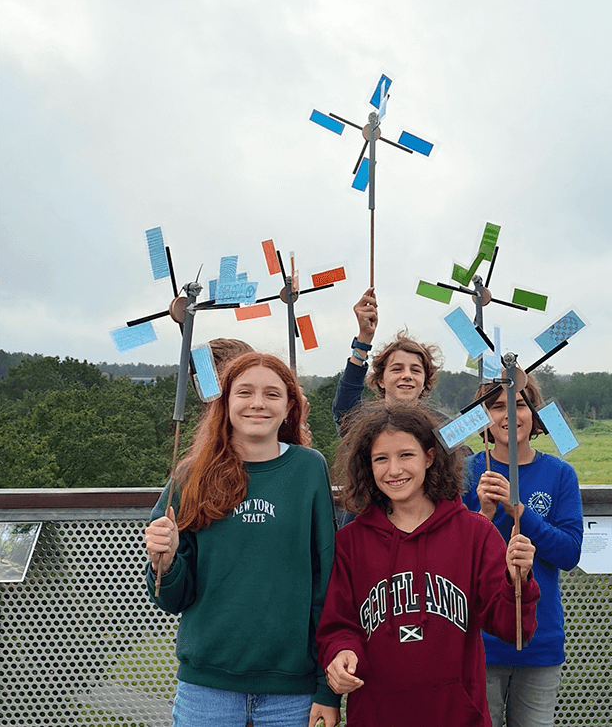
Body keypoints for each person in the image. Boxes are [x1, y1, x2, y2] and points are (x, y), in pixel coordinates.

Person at [142, 352, 340, 727]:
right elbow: (170, 598)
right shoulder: (191, 475)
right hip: (206, 689)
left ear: (289, 407)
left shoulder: (309, 468)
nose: (257, 404)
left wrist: (326, 689)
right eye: (244, 392)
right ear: (226, 402)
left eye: (272, 394)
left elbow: (325, 584)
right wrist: (164, 563)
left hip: (292, 692)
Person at [317, 401, 539, 726]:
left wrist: (518, 581)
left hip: (458, 715)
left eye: (406, 455)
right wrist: (340, 655)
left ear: (429, 457)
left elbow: (512, 629)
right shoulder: (352, 542)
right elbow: (339, 626)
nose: (394, 470)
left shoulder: (475, 534)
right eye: (381, 458)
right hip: (376, 715)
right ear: (368, 465)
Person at [461, 376, 583, 727]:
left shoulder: (560, 474)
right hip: (479, 640)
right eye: (497, 406)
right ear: (483, 417)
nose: (509, 415)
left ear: (534, 413)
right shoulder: (469, 473)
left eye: (518, 404)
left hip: (541, 638)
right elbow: (455, 558)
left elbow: (569, 553)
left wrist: (521, 514)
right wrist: (483, 514)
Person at [331, 287, 442, 434]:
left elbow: (466, 456)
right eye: (397, 369)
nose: (407, 375)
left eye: (415, 370)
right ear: (380, 380)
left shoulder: (442, 428)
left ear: (425, 382)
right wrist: (364, 339)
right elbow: (344, 409)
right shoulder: (364, 425)